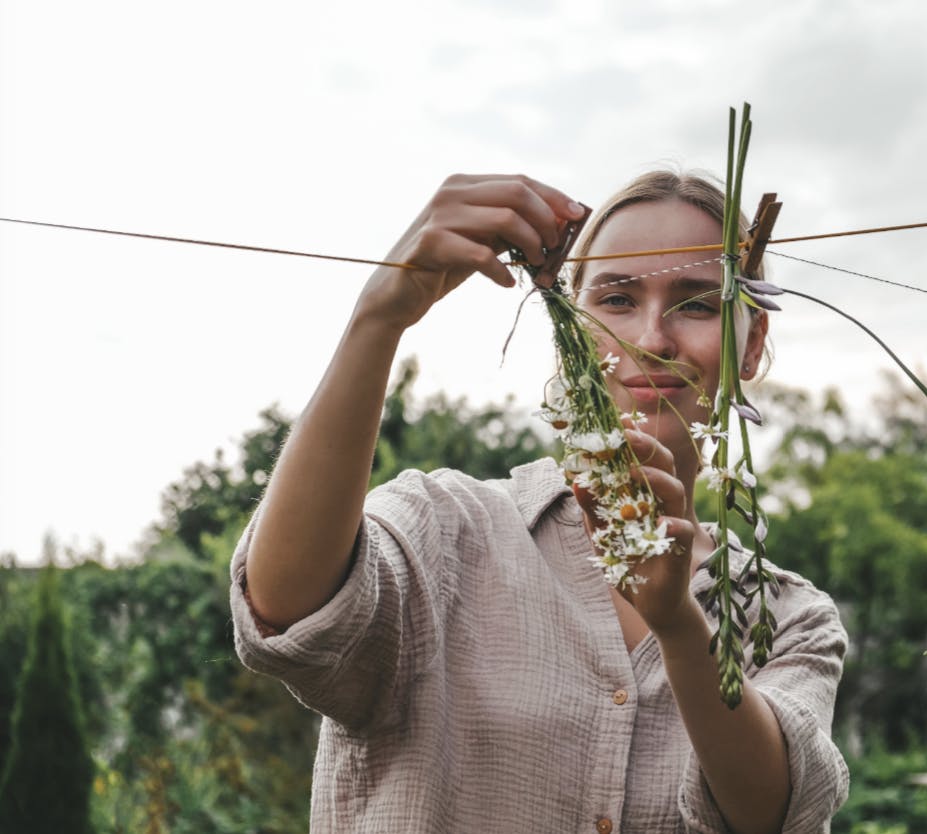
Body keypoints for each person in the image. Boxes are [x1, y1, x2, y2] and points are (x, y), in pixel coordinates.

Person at [230, 171, 850, 833]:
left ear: (750, 345)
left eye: (696, 304)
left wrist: (679, 625)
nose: (652, 337)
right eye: (616, 299)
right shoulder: (447, 528)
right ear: (568, 331)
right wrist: (379, 317)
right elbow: (286, 612)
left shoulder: (785, 616)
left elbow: (774, 811)